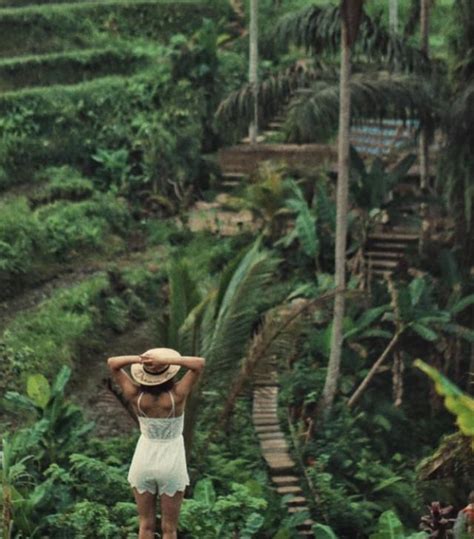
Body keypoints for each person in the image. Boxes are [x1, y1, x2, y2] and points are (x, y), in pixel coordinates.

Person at [107, 347, 205, 539]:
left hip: (143, 460)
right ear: (168, 374)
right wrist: (166, 359)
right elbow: (199, 364)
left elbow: (113, 363)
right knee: (169, 528)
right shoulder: (176, 397)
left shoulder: (136, 396)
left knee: (145, 526)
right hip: (171, 461)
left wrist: (142, 359)